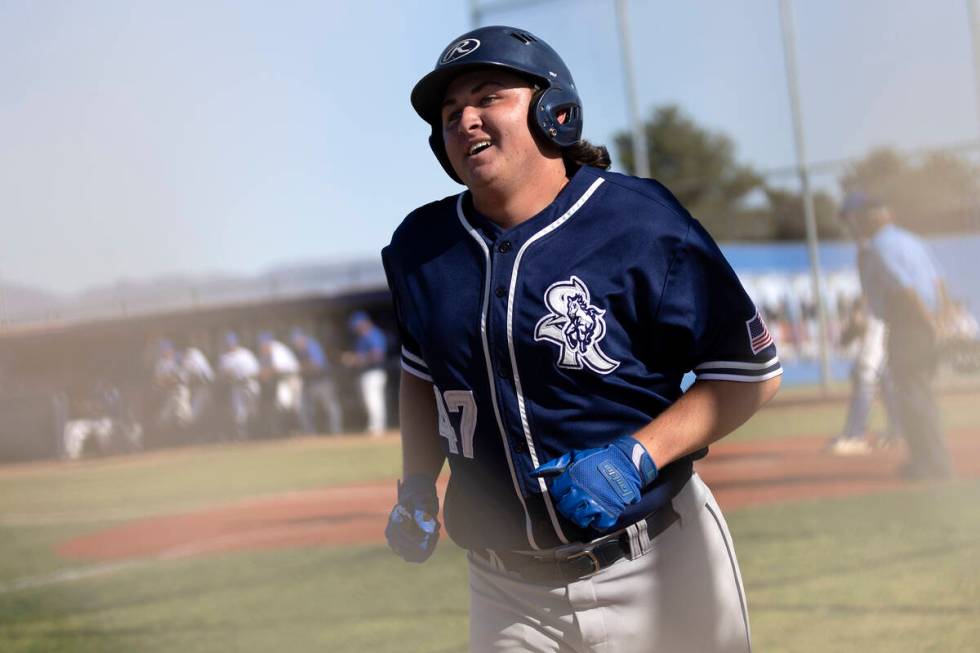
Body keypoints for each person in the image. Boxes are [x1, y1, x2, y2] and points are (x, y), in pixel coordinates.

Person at [381, 26, 781, 653]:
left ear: (552, 111)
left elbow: (747, 373)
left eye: (488, 97)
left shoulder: (640, 222)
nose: (466, 120)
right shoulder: (421, 248)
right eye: (450, 112)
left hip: (658, 564)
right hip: (505, 591)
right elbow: (420, 373)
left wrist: (639, 454)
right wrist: (414, 482)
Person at [839, 191, 953, 480]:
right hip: (923, 325)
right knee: (921, 395)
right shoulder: (910, 239)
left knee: (912, 396)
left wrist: (929, 323)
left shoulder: (879, 246)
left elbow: (904, 289)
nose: (855, 224)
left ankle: (929, 465)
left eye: (857, 218)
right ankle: (935, 462)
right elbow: (939, 281)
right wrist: (941, 320)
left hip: (909, 326)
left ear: (872, 217)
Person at [826, 297, 899, 454]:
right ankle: (896, 431)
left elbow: (859, 326)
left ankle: (854, 436)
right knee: (888, 390)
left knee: (865, 392)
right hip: (880, 353)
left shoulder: (873, 305)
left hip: (873, 354)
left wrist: (854, 321)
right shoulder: (878, 302)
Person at [341, 311, 388, 436]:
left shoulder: (373, 334)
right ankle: (374, 426)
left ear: (365, 323)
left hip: (374, 373)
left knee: (374, 400)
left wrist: (356, 359)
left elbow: (378, 355)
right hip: (365, 373)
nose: (356, 328)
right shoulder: (361, 337)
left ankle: (378, 427)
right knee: (367, 401)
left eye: (358, 325)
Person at [291, 327, 344, 435]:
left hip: (322, 381)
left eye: (298, 340)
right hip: (309, 382)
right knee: (305, 408)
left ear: (303, 338)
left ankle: (336, 432)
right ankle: (309, 434)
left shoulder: (312, 345)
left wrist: (302, 367)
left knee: (330, 407)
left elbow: (317, 365)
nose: (297, 343)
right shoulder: (299, 351)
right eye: (295, 342)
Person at [257, 331, 303, 437]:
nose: (262, 347)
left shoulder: (277, 349)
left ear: (268, 343)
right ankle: (290, 431)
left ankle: (299, 430)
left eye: (263, 344)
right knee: (283, 404)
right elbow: (263, 370)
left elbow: (276, 369)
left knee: (295, 406)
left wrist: (265, 373)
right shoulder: (265, 353)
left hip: (292, 378)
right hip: (283, 381)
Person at [217, 330, 260, 440]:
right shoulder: (224, 358)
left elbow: (256, 370)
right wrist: (227, 375)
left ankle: (258, 433)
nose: (231, 345)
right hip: (236, 386)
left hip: (250, 383)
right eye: (228, 343)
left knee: (254, 410)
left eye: (232, 342)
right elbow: (223, 376)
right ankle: (242, 436)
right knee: (239, 413)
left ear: (236, 342)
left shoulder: (245, 353)